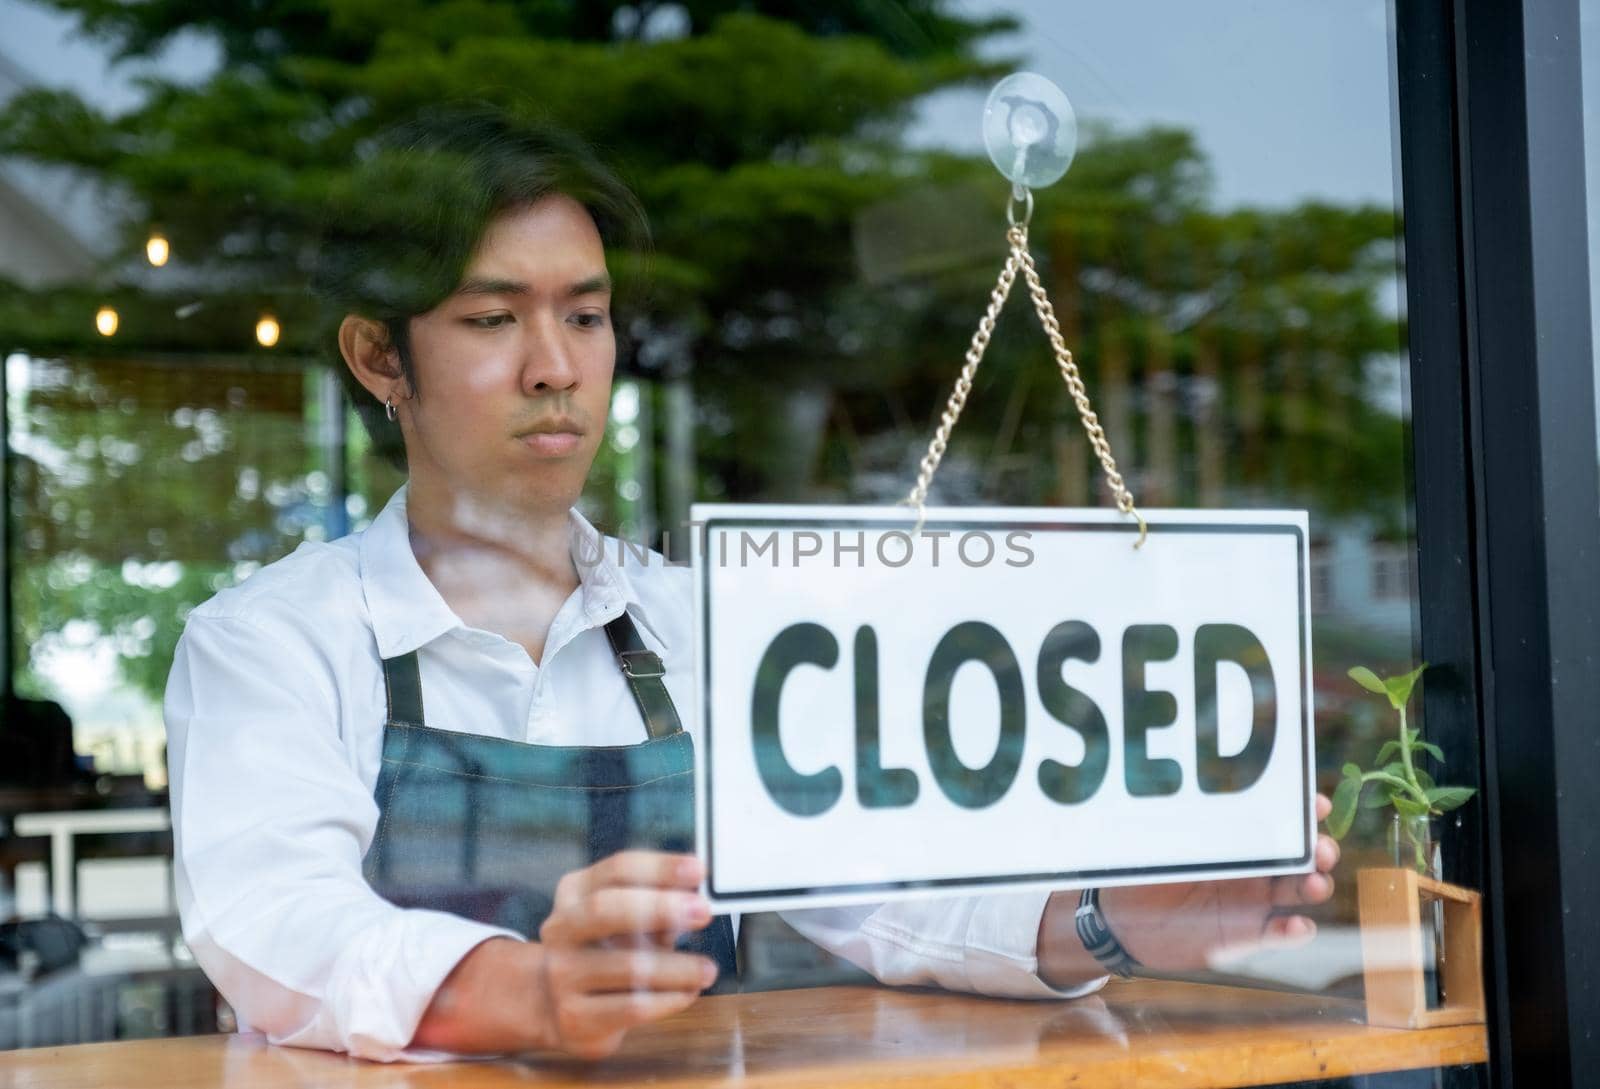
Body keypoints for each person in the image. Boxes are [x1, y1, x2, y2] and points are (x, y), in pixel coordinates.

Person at [164, 107, 1339, 1063]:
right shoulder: (271, 641)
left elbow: (890, 892)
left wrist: (1109, 916)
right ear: (380, 358)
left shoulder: (698, 629)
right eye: (490, 319)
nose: (555, 368)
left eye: (587, 315)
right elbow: (277, 929)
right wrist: (532, 995)